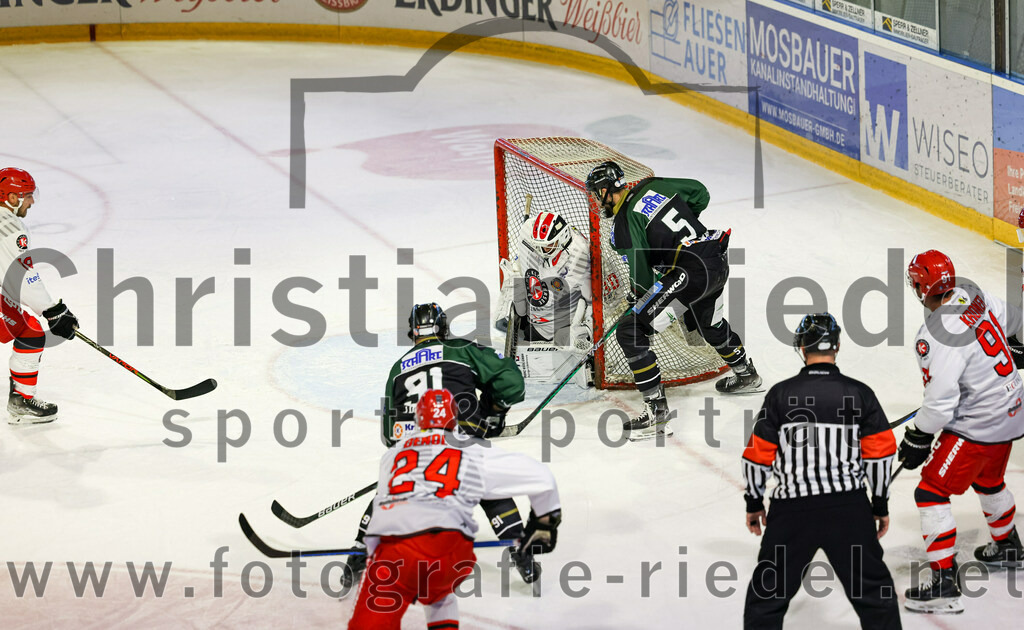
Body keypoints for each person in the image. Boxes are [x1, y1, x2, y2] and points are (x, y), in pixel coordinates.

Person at [343, 303, 540, 589]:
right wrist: (492, 411)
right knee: (485, 482)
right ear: (443, 328)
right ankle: (520, 550)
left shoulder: (397, 369)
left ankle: (358, 553)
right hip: (458, 441)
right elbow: (511, 383)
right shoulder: (461, 350)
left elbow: (389, 434)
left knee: (390, 488)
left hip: (413, 452)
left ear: (413, 333)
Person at [347, 388, 561, 630]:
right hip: (451, 555)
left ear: (418, 419)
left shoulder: (392, 455)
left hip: (394, 555)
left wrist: (367, 550)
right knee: (438, 591)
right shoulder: (472, 449)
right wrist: (544, 525)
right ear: (454, 418)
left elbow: (385, 507)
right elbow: (542, 478)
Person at [742, 313, 900, 630]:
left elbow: (757, 456)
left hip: (791, 512)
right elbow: (881, 455)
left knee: (766, 599)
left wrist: (754, 502)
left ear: (801, 347)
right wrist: (879, 504)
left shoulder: (780, 395)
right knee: (874, 595)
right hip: (849, 509)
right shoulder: (860, 394)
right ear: (837, 346)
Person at [585, 161, 760, 440]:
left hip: (690, 274)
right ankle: (746, 373)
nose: (596, 200)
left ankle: (656, 413)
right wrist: (680, 237)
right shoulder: (653, 185)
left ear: (606, 191)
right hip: (715, 261)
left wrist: (638, 298)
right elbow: (700, 193)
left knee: (630, 330)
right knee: (707, 322)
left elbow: (642, 281)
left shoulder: (625, 220)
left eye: (596, 193)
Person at [900, 250, 1024, 614]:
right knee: (988, 480)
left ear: (922, 287)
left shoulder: (935, 333)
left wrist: (918, 436)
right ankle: (1008, 547)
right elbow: (1005, 318)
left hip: (980, 422)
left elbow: (940, 404)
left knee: (930, 492)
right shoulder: (970, 292)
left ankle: (944, 585)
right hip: (1014, 406)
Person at [0, 167, 79, 424]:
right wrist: (53, 310)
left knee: (28, 328)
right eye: (27, 196)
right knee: (30, 332)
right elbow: (20, 277)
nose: (31, 202)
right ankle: (21, 399)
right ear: (12, 198)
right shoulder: (12, 229)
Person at [495, 210, 592, 352]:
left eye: (547, 246)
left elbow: (594, 300)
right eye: (538, 245)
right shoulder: (527, 231)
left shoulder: (581, 256)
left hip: (558, 328)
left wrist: (587, 329)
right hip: (532, 318)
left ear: (562, 238)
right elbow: (522, 263)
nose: (540, 250)